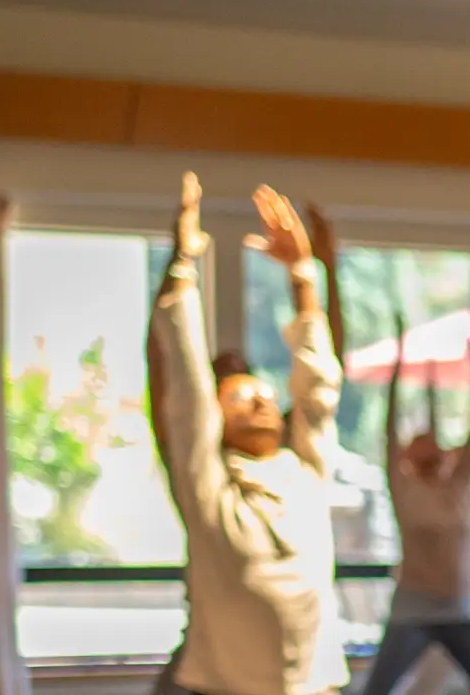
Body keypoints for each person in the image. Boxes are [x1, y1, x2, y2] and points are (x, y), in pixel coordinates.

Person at [147, 176, 350, 695]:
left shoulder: (306, 470)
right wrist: (181, 265)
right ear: (216, 420)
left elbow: (321, 382)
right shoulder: (209, 487)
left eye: (264, 394)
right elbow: (182, 388)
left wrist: (306, 274)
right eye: (239, 397)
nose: (260, 401)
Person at [359, 315, 470, 695]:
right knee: (376, 689)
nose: (429, 442)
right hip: (414, 607)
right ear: (408, 454)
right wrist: (398, 362)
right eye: (420, 439)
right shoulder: (404, 488)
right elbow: (388, 429)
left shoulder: (460, 485)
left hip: (462, 607)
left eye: (433, 437)